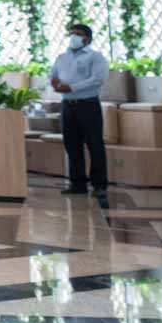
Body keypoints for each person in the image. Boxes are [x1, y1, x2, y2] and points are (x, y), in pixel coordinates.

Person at [50, 22, 110, 199]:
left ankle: (99, 185)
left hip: (88, 104)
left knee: (94, 144)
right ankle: (77, 184)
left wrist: (71, 87)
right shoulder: (62, 57)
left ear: (87, 39)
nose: (73, 37)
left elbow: (97, 79)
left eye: (77, 34)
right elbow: (52, 75)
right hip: (67, 106)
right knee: (72, 145)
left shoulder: (95, 57)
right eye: (71, 34)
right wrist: (54, 83)